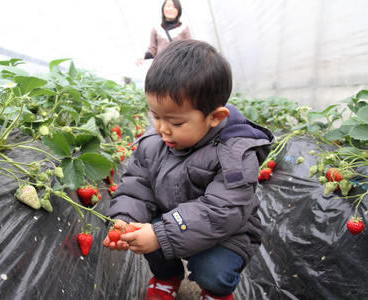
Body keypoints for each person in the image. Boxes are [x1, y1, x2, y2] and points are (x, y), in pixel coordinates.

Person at [103, 39, 274, 300]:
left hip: (227, 235)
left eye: (176, 122)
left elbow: (222, 211)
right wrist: (125, 219)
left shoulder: (235, 154)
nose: (163, 129)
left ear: (215, 117)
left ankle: (217, 293)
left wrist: (160, 234)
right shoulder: (154, 143)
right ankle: (165, 278)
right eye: (156, 116)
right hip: (171, 221)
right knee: (143, 229)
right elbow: (138, 186)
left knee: (212, 270)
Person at [135, 0, 191, 66]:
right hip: (160, 67)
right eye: (168, 6)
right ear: (163, 8)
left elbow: (189, 49)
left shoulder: (184, 28)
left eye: (174, 7)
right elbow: (152, 49)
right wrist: (144, 56)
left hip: (178, 68)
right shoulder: (156, 29)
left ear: (178, 10)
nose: (170, 9)